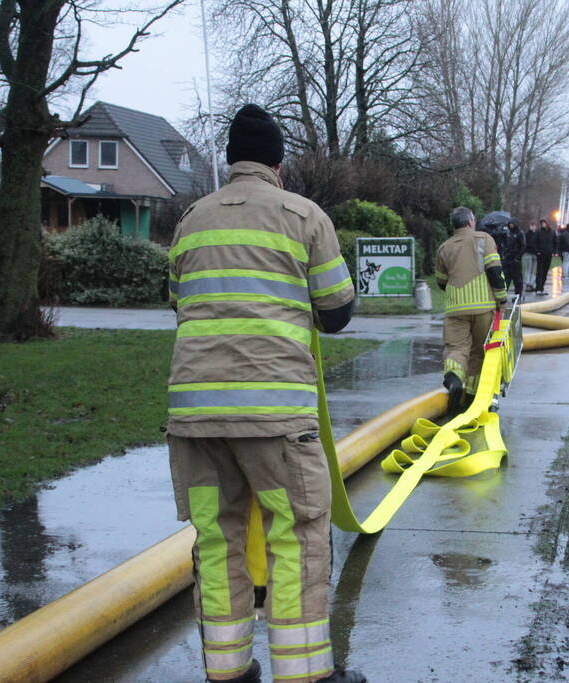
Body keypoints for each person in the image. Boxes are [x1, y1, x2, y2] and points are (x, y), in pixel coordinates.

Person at [165, 104, 364, 683]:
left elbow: (178, 302)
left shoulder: (189, 220)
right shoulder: (303, 215)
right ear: (278, 162)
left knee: (217, 538)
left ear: (230, 162)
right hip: (277, 417)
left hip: (195, 420)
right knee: (296, 537)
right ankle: (304, 675)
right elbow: (337, 311)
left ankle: (227, 673)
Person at [436, 206, 507, 413]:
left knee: (456, 348)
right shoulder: (484, 239)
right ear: (470, 222)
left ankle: (454, 380)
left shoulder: (444, 248)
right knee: (478, 352)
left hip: (456, 308)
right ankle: (472, 398)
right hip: (483, 307)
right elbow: (495, 271)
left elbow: (441, 282)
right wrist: (502, 299)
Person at [502, 219, 526, 296]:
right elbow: (505, 244)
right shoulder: (507, 233)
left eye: (512, 224)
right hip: (508, 258)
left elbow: (523, 246)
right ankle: (504, 293)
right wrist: (504, 254)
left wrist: (518, 258)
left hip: (516, 259)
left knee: (517, 278)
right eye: (510, 224)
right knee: (506, 277)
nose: (510, 225)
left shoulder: (520, 233)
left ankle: (518, 294)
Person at [534, 218, 556, 294]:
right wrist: (537, 251)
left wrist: (554, 252)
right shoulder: (539, 232)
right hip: (540, 254)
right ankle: (538, 288)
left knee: (545, 271)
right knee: (539, 271)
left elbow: (555, 242)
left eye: (544, 223)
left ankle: (542, 287)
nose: (543, 224)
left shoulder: (552, 232)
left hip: (548, 254)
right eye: (542, 223)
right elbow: (535, 242)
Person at [523, 221, 538, 291]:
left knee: (533, 270)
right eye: (532, 225)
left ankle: (532, 283)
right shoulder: (527, 234)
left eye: (534, 225)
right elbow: (527, 243)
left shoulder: (537, 234)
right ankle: (528, 283)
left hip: (535, 254)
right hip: (529, 253)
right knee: (528, 270)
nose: (533, 227)